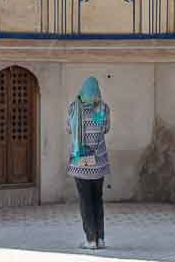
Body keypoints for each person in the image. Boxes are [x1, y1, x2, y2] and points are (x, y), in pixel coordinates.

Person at [67, 76, 111, 250]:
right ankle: (100, 238)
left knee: (85, 201)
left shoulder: (74, 108)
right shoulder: (103, 108)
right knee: (97, 199)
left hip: (81, 161)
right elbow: (106, 128)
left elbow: (69, 128)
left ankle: (90, 240)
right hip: (99, 161)